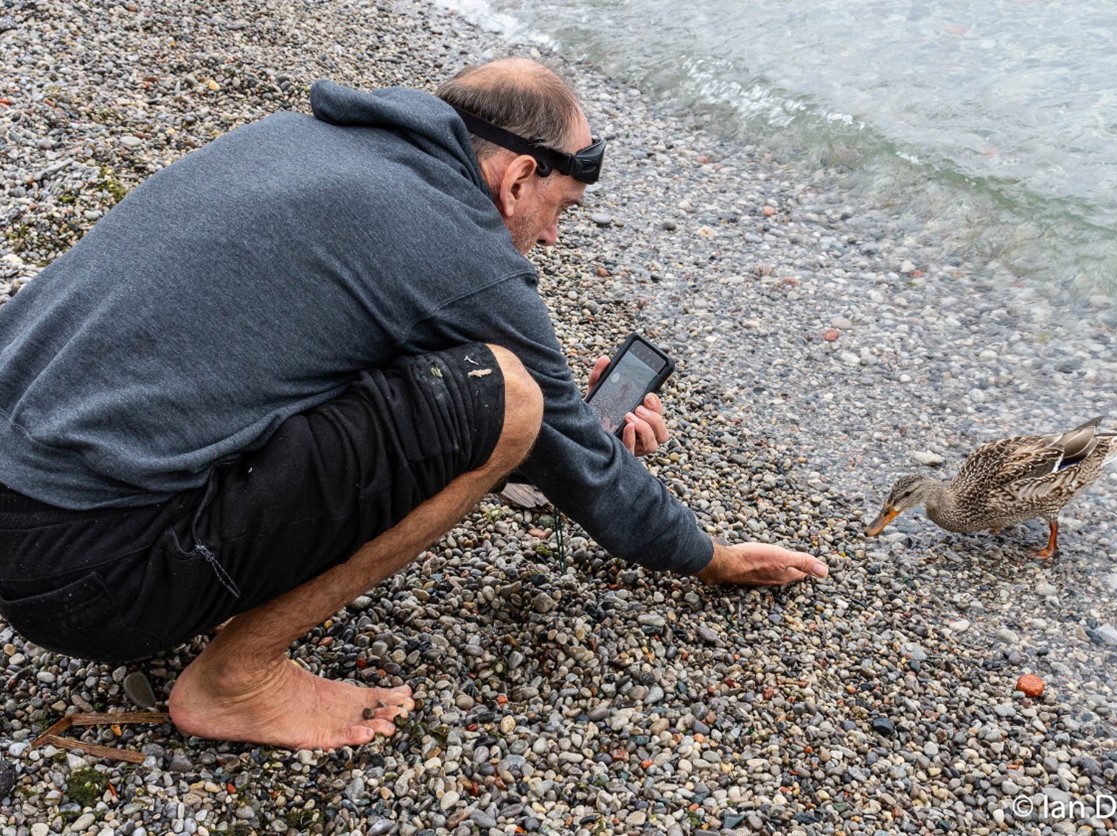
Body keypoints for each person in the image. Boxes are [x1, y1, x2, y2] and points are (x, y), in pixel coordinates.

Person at [0, 58, 829, 751]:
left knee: (487, 391)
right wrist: (707, 556)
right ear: (517, 179)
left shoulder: (297, 139)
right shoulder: (454, 244)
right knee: (505, 396)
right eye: (559, 212)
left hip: (29, 500)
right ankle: (236, 679)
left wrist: (543, 433)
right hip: (92, 578)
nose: (550, 239)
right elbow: (559, 443)